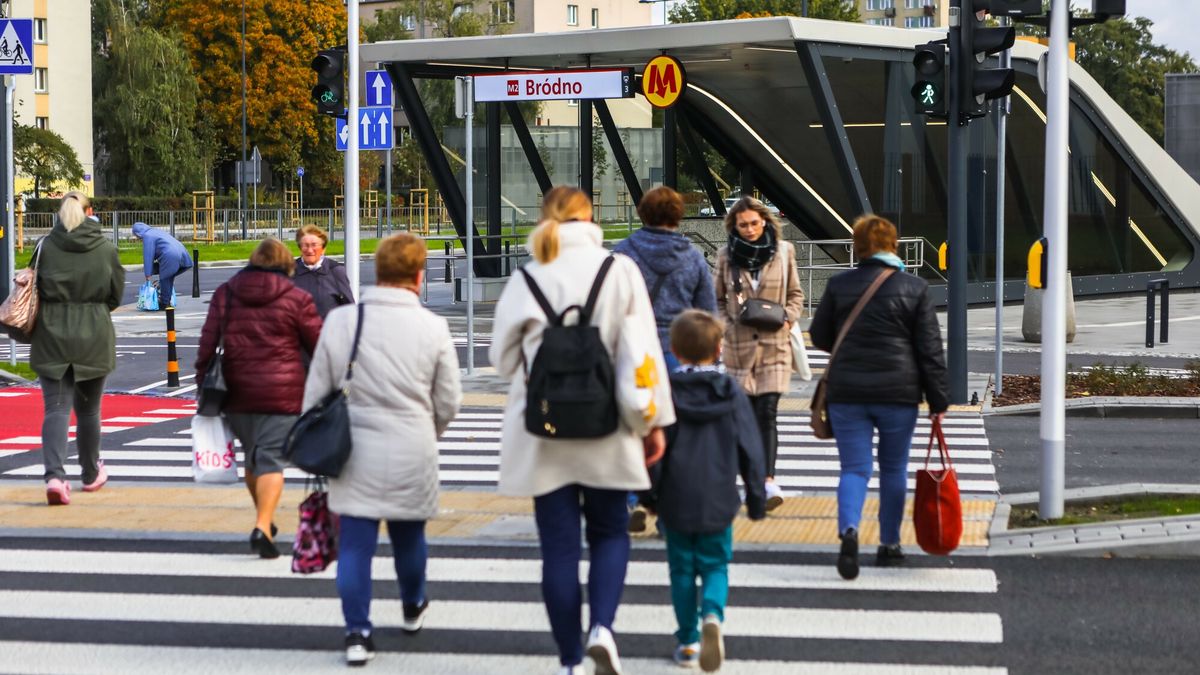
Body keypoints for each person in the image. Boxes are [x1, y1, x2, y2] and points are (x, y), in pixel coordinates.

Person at [491, 186, 674, 675]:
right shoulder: (620, 270)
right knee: (612, 531)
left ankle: (570, 660)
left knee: (558, 548)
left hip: (543, 429)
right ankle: (603, 631)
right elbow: (644, 354)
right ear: (589, 217)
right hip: (609, 424)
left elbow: (502, 359)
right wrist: (654, 421)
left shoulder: (528, 276)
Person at [303, 233, 462, 666]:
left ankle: (358, 631)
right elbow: (449, 400)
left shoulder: (341, 323)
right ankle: (412, 606)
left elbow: (316, 393)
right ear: (418, 275)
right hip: (413, 444)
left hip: (354, 447)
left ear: (378, 272)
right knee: (410, 536)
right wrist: (431, 431)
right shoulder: (433, 327)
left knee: (355, 543)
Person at [808, 215, 949, 580]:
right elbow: (930, 350)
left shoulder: (840, 284)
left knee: (854, 468)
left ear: (858, 246)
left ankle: (849, 530)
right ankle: (889, 544)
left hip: (847, 393)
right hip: (898, 394)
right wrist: (938, 402)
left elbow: (820, 336)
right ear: (894, 245)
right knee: (893, 469)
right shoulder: (915, 287)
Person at [646, 310, 766, 672]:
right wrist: (756, 496)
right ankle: (712, 614)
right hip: (719, 495)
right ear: (719, 348)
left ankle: (687, 642)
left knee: (681, 570)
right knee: (716, 565)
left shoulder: (666, 390)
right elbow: (750, 445)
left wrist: (649, 496)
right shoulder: (730, 390)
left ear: (674, 348)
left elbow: (654, 449)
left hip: (676, 497)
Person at [195, 238, 322, 559]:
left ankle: (263, 520)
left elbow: (208, 343)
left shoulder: (226, 292)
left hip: (234, 391)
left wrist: (202, 386)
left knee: (254, 454)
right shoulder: (297, 298)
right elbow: (319, 344)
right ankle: (263, 525)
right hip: (282, 391)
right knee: (270, 458)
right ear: (286, 263)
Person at [613, 186, 717, 533]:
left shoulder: (623, 253)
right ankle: (669, 506)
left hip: (634, 353)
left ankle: (629, 498)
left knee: (631, 426)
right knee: (677, 435)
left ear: (643, 213)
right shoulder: (692, 257)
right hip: (678, 353)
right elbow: (707, 313)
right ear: (677, 215)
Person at [31, 192, 125, 505]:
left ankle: (55, 477)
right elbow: (116, 295)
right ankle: (89, 473)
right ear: (90, 212)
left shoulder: (45, 246)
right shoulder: (105, 248)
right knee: (89, 411)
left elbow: (34, 287)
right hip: (94, 335)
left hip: (51, 334)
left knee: (56, 408)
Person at [713, 196, 804, 512]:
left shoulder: (784, 252)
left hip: (774, 347)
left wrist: (789, 318)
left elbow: (795, 294)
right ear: (734, 226)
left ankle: (767, 482)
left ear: (764, 221)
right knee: (744, 418)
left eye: (754, 222)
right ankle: (750, 481)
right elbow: (718, 300)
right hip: (739, 348)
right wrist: (726, 327)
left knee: (766, 412)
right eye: (743, 224)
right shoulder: (726, 255)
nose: (750, 229)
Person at [293, 224, 356, 318]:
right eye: (305, 245)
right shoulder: (290, 271)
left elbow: (350, 309)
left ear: (323, 249)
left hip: (329, 331)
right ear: (300, 248)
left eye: (314, 245)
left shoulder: (336, 271)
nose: (310, 250)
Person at [131, 222, 193, 310]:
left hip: (170, 255)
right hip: (182, 254)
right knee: (168, 276)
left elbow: (148, 255)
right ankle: (166, 300)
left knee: (165, 278)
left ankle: (165, 303)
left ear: (138, 233)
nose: (137, 238)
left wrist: (148, 275)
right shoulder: (155, 231)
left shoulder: (147, 236)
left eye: (136, 236)